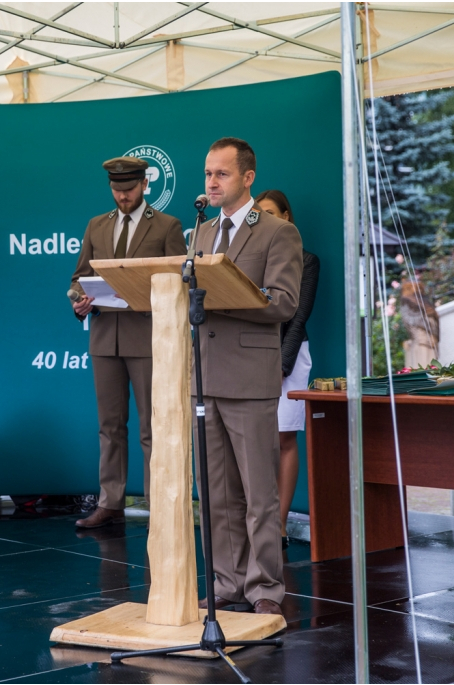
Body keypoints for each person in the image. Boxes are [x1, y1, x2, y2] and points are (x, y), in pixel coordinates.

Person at [193, 138, 303, 616]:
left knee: (259, 495)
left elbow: (283, 301)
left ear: (247, 178)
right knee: (216, 494)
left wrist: (228, 290)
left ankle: (264, 589)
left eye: (222, 174)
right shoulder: (199, 232)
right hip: (204, 376)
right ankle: (227, 581)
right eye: (207, 174)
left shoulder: (276, 232)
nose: (212, 183)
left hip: (250, 377)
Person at [69, 157, 187, 528]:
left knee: (153, 426)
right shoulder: (96, 225)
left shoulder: (167, 226)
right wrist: (78, 299)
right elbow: (79, 277)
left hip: (148, 337)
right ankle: (110, 501)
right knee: (109, 425)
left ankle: (159, 507)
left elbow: (177, 281)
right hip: (105, 339)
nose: (123, 197)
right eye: (117, 191)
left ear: (144, 184)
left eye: (130, 190)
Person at [254, 189, 319, 549]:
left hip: (289, 356)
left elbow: (297, 317)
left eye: (272, 214)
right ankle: (257, 521)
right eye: (260, 215)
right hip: (250, 354)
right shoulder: (252, 258)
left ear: (287, 216)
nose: (268, 221)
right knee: (255, 440)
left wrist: (282, 362)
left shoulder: (307, 261)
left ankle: (278, 524)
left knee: (283, 436)